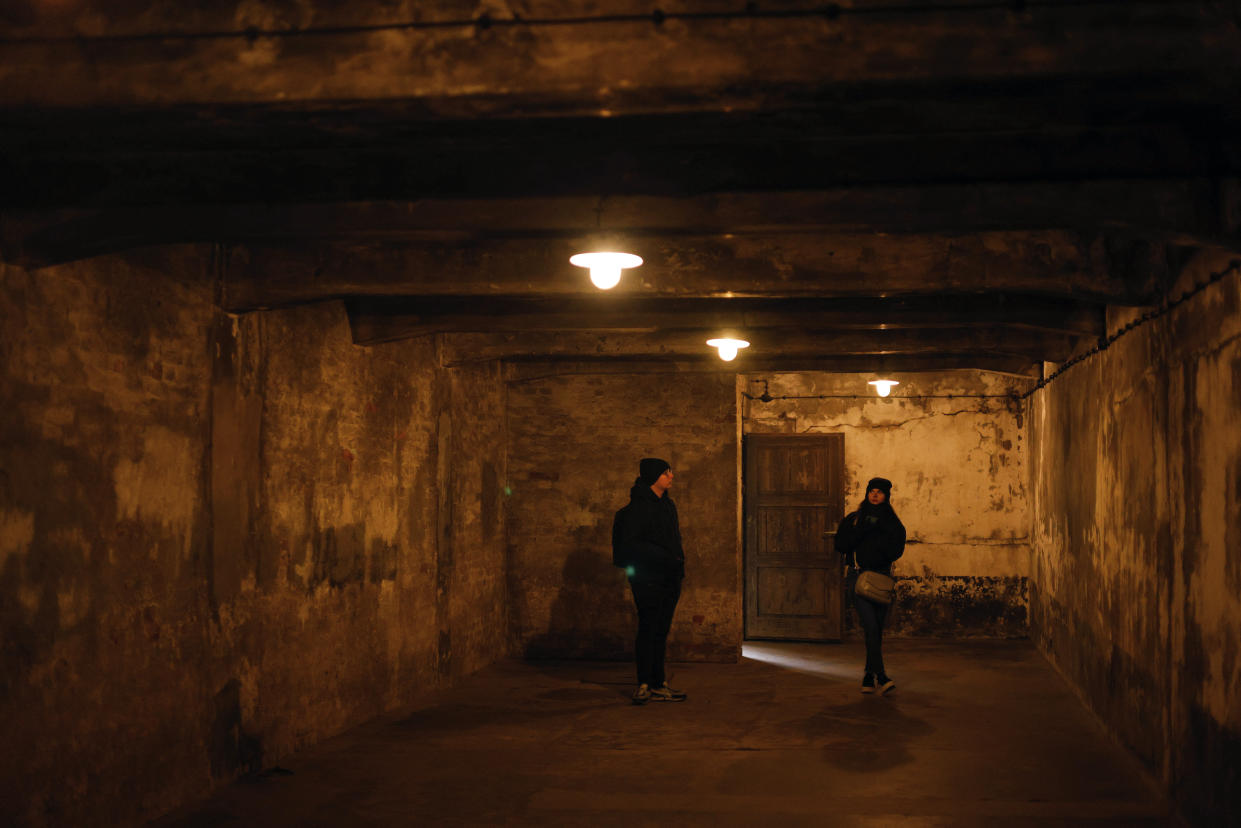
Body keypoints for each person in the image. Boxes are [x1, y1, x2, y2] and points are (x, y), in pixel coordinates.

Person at [613, 457, 688, 705]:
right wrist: (666, 558)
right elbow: (632, 546)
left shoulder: (668, 506)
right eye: (667, 473)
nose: (671, 476)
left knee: (661, 630)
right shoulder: (637, 510)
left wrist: (676, 566)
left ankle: (659, 683)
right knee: (648, 628)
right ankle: (645, 683)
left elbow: (673, 541)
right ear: (654, 476)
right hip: (647, 579)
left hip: (669, 578)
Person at [835, 477, 906, 695]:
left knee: (875, 630)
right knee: (871, 627)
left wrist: (879, 536)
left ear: (886, 496)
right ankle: (882, 676)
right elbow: (841, 544)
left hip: (882, 579)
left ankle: (868, 675)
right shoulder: (855, 520)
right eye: (871, 491)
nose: (875, 495)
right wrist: (863, 531)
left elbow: (896, 550)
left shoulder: (892, 522)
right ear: (867, 494)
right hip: (858, 578)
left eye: (880, 492)